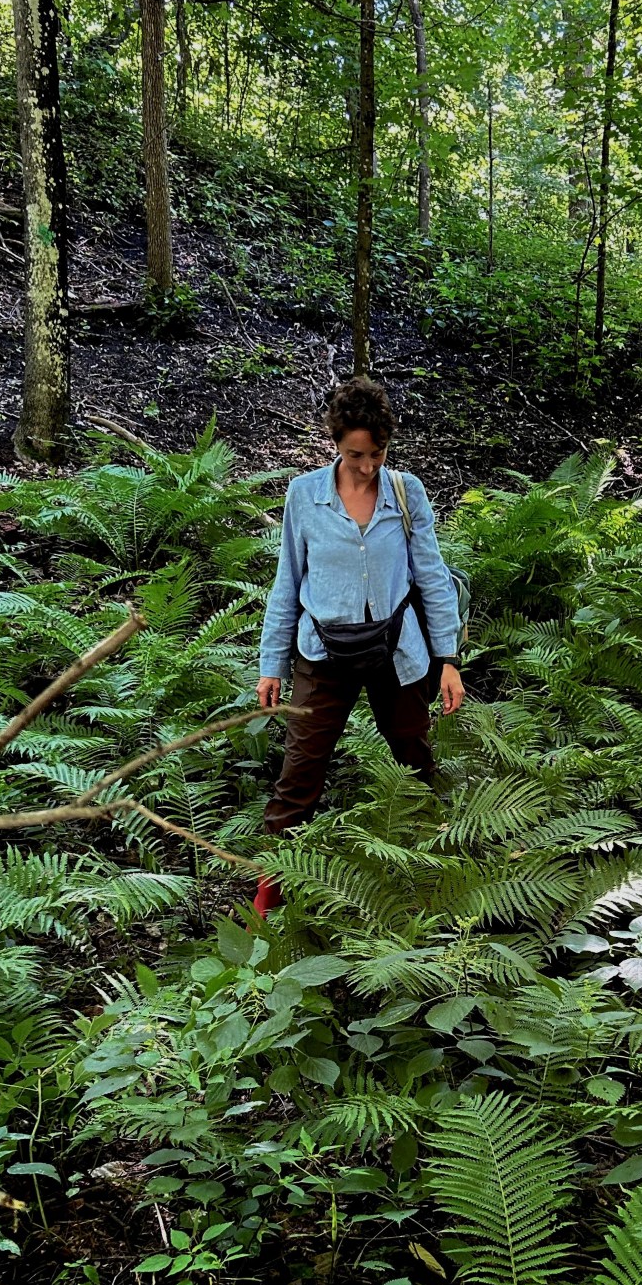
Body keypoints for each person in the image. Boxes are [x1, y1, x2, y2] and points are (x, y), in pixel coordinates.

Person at [252, 376, 465, 917]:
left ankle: (430, 878)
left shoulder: (405, 492)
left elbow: (432, 577)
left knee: (413, 761)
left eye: (377, 454)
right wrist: (271, 664)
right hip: (321, 656)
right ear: (335, 443)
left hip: (397, 652)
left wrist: (447, 660)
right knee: (300, 770)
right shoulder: (304, 494)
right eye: (355, 454)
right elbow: (287, 582)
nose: (367, 466)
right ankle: (270, 895)